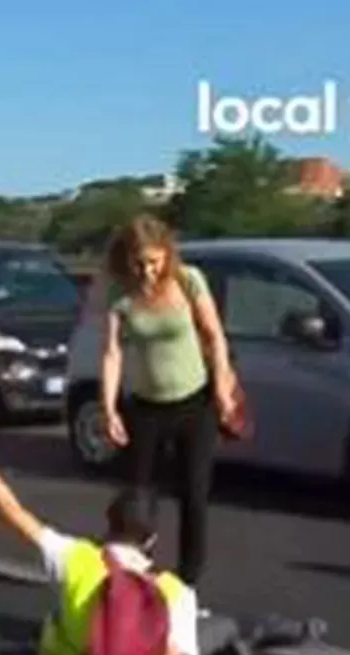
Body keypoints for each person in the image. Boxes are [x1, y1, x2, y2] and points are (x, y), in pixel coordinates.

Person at [0, 441, 326, 655]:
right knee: (224, 628)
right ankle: (293, 632)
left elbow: (12, 513)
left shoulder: (75, 559)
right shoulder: (173, 590)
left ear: (108, 523)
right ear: (152, 540)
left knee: (59, 614)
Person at [99, 214, 239, 593]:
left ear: (167, 256)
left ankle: (188, 582)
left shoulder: (188, 280)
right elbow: (112, 353)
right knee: (139, 497)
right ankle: (135, 579)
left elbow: (214, 337)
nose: (147, 271)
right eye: (139, 263)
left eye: (154, 262)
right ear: (126, 260)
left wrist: (223, 388)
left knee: (193, 493)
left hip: (194, 403)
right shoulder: (120, 294)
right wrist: (108, 407)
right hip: (145, 406)